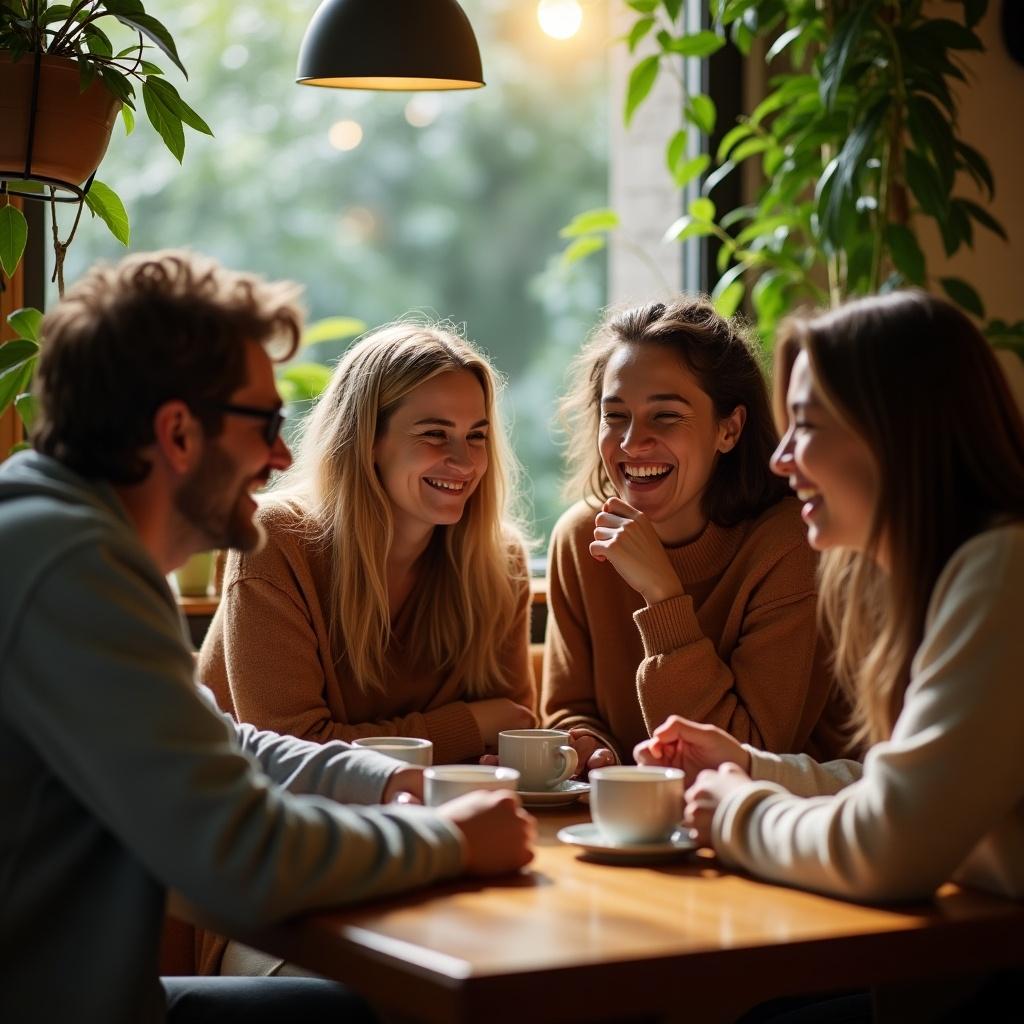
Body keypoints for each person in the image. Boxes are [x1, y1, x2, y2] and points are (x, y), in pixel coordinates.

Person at [0, 250, 534, 1023]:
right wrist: (447, 842)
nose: (283, 456)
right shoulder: (73, 568)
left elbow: (222, 743)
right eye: (262, 424)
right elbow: (239, 855)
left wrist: (381, 783)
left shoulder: (63, 537)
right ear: (178, 432)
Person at [637, 291, 1024, 906]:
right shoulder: (941, 575)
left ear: (898, 432)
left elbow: (888, 845)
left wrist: (741, 810)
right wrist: (749, 764)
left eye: (807, 427)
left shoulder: (1003, 573)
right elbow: (900, 789)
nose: (781, 459)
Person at [198, 324, 534, 768]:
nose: (466, 461)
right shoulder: (276, 541)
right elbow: (293, 756)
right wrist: (469, 725)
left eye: (476, 435)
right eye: (435, 433)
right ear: (367, 441)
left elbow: (517, 738)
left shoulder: (498, 561)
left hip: (425, 818)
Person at [543, 297, 849, 774]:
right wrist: (586, 746)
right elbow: (571, 711)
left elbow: (746, 753)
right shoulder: (580, 539)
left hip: (774, 825)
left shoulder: (789, 543)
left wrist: (662, 595)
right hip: (634, 820)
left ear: (729, 430)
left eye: (665, 416)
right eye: (616, 415)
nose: (630, 443)